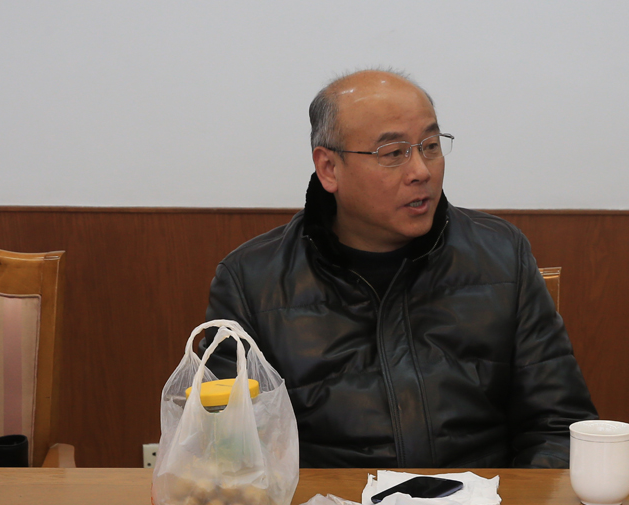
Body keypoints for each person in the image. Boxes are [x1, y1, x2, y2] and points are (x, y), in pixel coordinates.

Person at [201, 69, 598, 468]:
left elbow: (559, 427)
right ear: (329, 168)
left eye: (430, 146)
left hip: (483, 502)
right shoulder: (251, 281)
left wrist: (511, 504)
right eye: (393, 153)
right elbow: (225, 449)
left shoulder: (502, 255)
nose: (421, 171)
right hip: (327, 504)